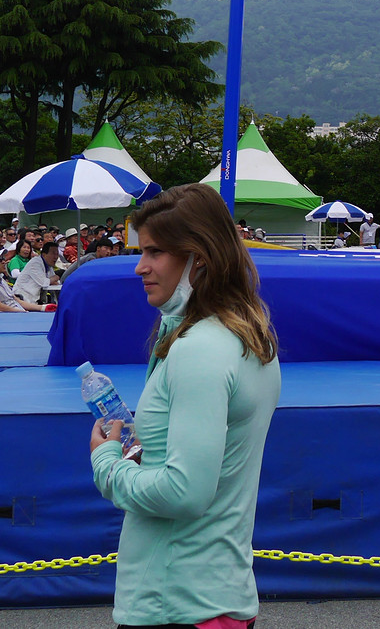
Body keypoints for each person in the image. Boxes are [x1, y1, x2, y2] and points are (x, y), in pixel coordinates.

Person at [89, 181, 280, 629]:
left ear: (199, 257)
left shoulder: (199, 349)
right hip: (216, 595)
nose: (140, 267)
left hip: (176, 602)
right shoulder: (249, 338)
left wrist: (108, 464)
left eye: (155, 252)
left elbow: (185, 492)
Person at [12, 240, 62, 305]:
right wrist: (58, 276)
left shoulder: (48, 266)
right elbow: (44, 283)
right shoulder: (35, 263)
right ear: (44, 255)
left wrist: (54, 279)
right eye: (53, 254)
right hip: (23, 298)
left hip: (36, 300)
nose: (56, 257)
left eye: (57, 254)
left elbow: (55, 282)